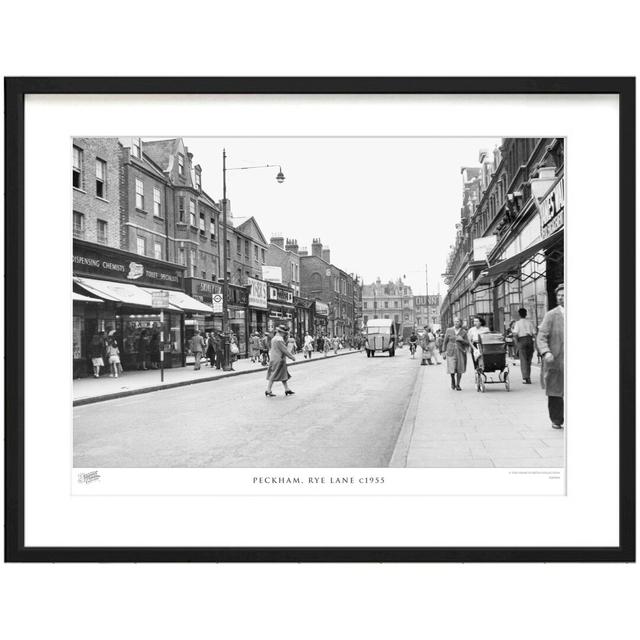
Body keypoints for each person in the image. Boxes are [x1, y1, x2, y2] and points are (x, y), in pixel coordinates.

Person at [537, 284, 565, 429]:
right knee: (555, 391)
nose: (561, 297)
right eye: (559, 295)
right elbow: (541, 336)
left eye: (564, 295)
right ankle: (556, 420)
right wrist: (546, 351)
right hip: (556, 360)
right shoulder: (551, 315)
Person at [265, 324, 296, 397]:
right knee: (274, 375)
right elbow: (284, 350)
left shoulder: (274, 338)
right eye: (284, 333)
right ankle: (268, 390)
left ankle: (287, 389)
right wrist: (292, 357)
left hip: (274, 358)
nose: (284, 334)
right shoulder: (279, 339)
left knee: (283, 375)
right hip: (279, 359)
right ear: (281, 332)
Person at [442, 316, 469, 390]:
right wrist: (443, 352)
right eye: (455, 321)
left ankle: (458, 384)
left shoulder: (463, 332)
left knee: (460, 368)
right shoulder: (449, 330)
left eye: (458, 321)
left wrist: (462, 340)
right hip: (451, 351)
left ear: (460, 323)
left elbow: (467, 343)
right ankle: (453, 380)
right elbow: (445, 342)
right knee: (452, 368)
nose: (456, 323)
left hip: (460, 352)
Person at [512, 307, 536, 384]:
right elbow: (534, 333)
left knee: (523, 360)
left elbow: (515, 334)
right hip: (530, 340)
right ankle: (528, 377)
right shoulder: (530, 322)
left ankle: (526, 378)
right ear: (526, 314)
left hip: (522, 340)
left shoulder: (517, 323)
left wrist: (517, 343)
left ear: (519, 314)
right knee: (529, 360)